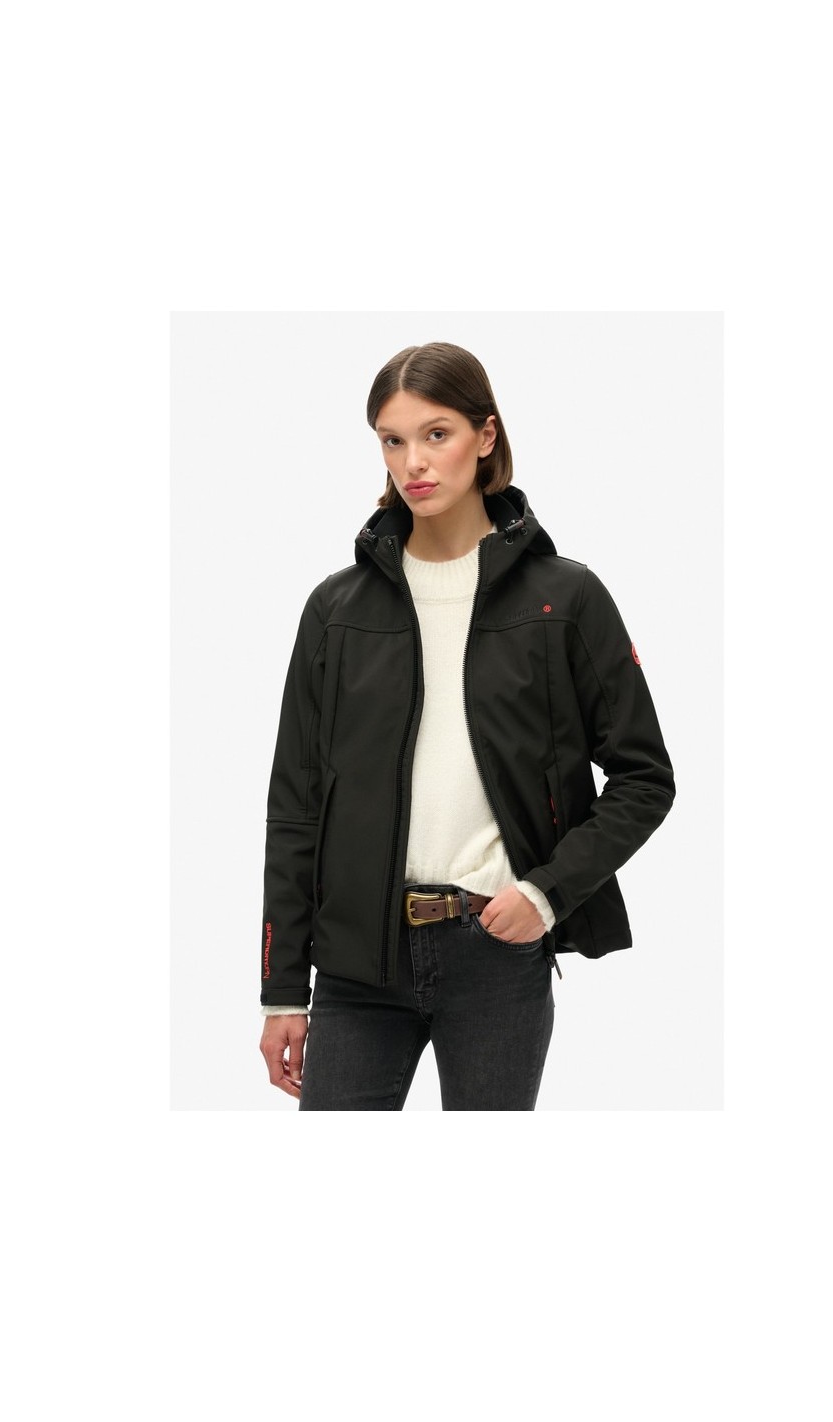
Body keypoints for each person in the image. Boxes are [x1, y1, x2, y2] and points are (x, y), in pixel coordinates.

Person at [257, 341, 675, 1110]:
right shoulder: (336, 610)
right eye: (392, 440)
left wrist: (546, 893)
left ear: (486, 435)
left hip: (496, 954)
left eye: (436, 434)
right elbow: (297, 804)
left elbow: (644, 778)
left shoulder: (565, 600)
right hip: (356, 966)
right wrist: (282, 989)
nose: (412, 462)